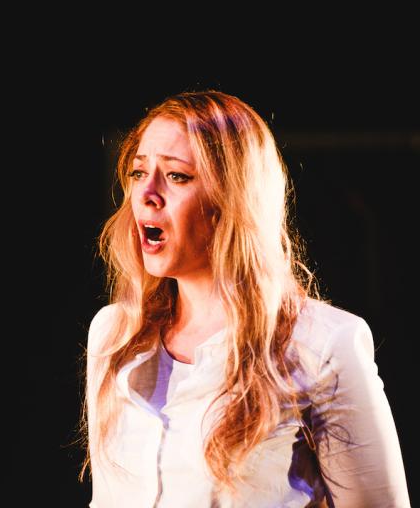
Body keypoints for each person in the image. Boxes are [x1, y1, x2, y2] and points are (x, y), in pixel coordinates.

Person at [81, 91, 410, 507]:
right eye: (137, 171)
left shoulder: (322, 343)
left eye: (177, 176)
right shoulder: (114, 333)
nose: (147, 193)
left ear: (232, 198)